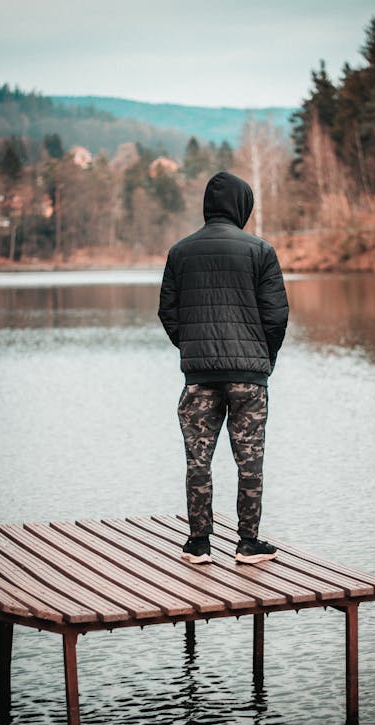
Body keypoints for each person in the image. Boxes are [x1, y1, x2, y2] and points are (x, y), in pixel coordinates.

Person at [158, 171, 288, 564]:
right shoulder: (260, 250)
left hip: (199, 378)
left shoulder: (180, 251)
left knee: (198, 460)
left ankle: (199, 544)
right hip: (248, 378)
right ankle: (248, 543)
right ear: (241, 206)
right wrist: (264, 361)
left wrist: (193, 349)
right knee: (250, 461)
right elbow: (276, 316)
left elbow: (168, 312)